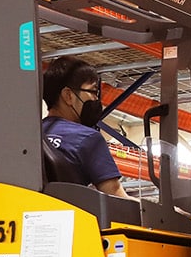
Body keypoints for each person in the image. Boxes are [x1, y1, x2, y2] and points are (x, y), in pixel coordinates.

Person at [41, 56, 129, 198]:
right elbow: (116, 197)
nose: (96, 99)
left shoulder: (31, 136)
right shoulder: (87, 138)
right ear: (68, 95)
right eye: (93, 92)